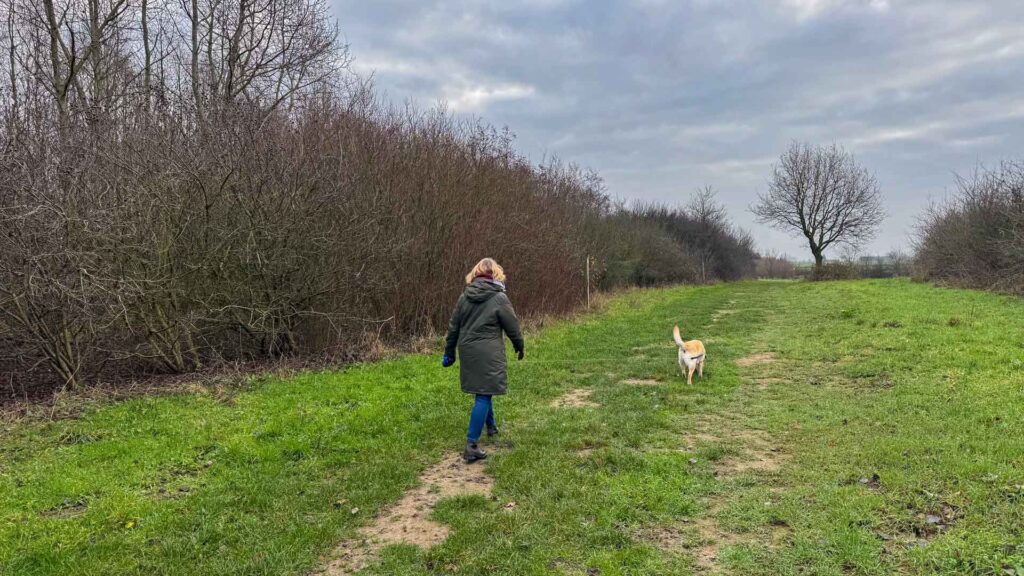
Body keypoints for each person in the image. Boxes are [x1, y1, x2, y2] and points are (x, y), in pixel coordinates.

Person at [442, 258, 524, 463]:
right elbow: (512, 326)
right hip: (489, 351)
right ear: (496, 275)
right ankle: (471, 445)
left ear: (476, 274)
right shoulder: (499, 297)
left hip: (468, 350)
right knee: (484, 393)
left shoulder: (464, 297)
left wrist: (450, 352)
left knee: (483, 390)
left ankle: (492, 427)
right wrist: (519, 345)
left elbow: (453, 328)